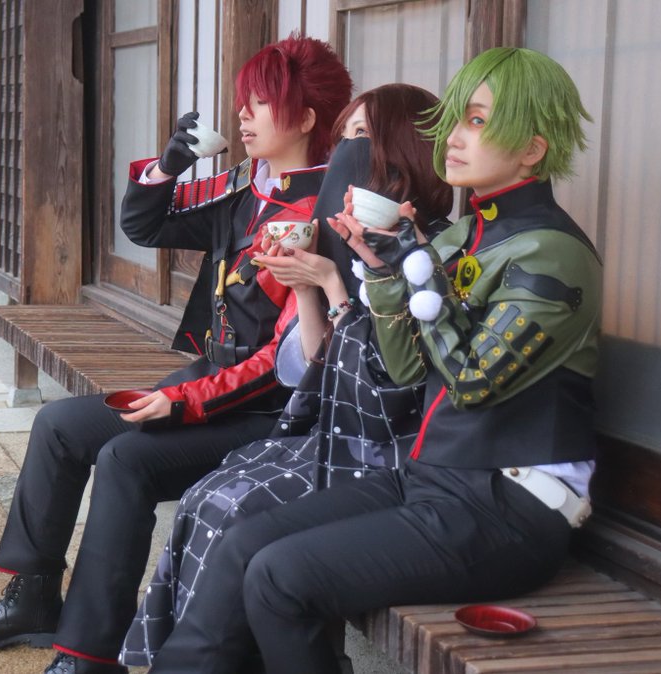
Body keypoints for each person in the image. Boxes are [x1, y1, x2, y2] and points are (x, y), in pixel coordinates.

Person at [147, 47, 601, 674]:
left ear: (532, 149)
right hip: (433, 477)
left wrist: (415, 270)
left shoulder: (550, 251)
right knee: (245, 542)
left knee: (281, 578)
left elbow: (470, 381)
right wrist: (385, 272)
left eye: (476, 121)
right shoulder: (462, 236)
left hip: (512, 505)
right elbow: (409, 368)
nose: (453, 137)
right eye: (454, 120)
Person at [0, 35, 353, 674]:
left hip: (270, 414)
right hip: (211, 383)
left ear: (304, 118)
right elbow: (145, 225)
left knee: (125, 460)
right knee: (58, 425)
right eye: (243, 100)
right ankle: (33, 598)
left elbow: (285, 364)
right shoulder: (246, 188)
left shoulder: (321, 213)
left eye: (261, 101)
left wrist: (179, 401)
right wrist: (168, 166)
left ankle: (87, 651)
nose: (242, 114)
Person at [118, 83, 453, 668]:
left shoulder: (430, 248)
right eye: (346, 135)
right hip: (325, 421)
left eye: (363, 136)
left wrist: (335, 283)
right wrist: (309, 287)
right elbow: (316, 366)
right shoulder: (270, 199)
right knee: (205, 496)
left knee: (238, 513)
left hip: (382, 449)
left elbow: (393, 383)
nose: (242, 115)